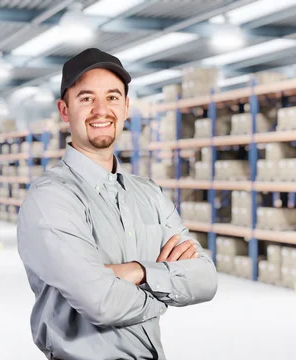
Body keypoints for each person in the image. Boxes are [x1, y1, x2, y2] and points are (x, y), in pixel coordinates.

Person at [16, 48, 218, 360]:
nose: (101, 110)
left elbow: (206, 279)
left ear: (125, 107)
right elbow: (101, 302)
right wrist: (164, 292)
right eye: (86, 98)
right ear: (64, 109)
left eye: (112, 97)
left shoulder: (148, 194)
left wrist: (137, 272)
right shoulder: (51, 198)